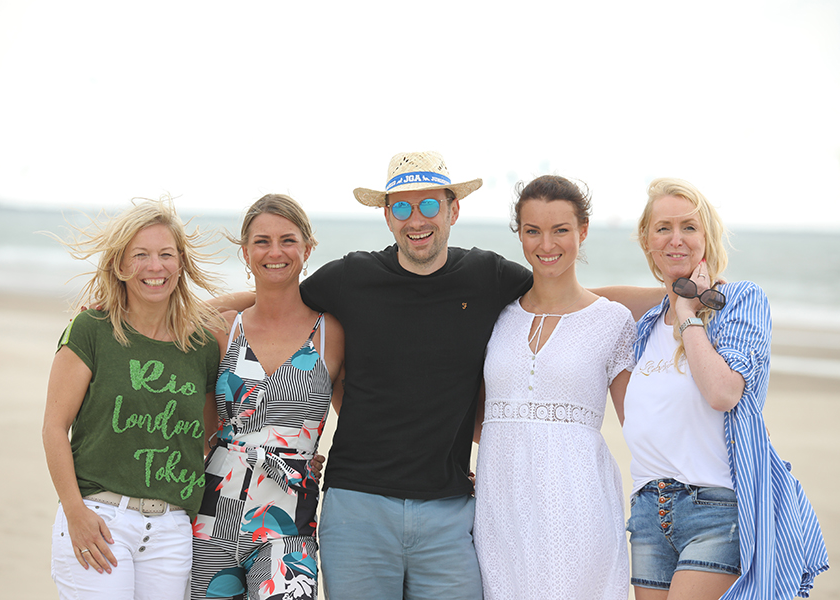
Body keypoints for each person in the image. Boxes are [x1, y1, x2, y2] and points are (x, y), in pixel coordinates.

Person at [215, 151, 660, 600]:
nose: (416, 220)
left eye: (429, 205)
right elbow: (274, 299)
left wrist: (687, 293)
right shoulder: (350, 277)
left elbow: (567, 295)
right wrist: (174, 308)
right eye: (403, 207)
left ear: (453, 210)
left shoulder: (487, 276)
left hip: (450, 513)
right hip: (357, 506)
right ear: (388, 216)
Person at [622, 178, 829, 599]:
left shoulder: (740, 301)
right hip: (648, 509)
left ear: (707, 237)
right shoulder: (645, 327)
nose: (675, 239)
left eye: (689, 227)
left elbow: (723, 392)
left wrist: (687, 313)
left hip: (714, 509)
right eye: (663, 228)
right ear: (647, 239)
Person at [42, 197, 224, 600]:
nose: (155, 267)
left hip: (172, 530)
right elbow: (54, 428)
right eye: (140, 255)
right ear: (120, 265)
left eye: (165, 254)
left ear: (181, 263)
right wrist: (75, 513)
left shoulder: (201, 345)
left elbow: (210, 436)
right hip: (100, 518)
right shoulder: (91, 330)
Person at [473, 175, 636, 599]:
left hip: (578, 508)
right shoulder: (498, 317)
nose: (546, 244)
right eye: (533, 231)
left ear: (582, 231)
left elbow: (638, 425)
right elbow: (477, 415)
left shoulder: (612, 321)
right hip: (500, 510)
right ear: (520, 235)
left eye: (560, 230)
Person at [190, 194, 344, 600]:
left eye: (288, 240)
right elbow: (203, 423)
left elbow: (362, 416)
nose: (275, 252)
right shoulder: (223, 328)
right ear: (245, 252)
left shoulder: (333, 334)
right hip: (213, 509)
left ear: (308, 248)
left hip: (290, 517)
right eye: (262, 241)